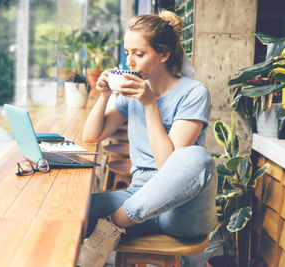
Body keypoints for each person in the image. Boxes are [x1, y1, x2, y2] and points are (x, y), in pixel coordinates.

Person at [77, 9, 218, 267]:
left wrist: (149, 103)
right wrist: (105, 95)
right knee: (72, 211)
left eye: (139, 54)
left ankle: (111, 227)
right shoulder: (129, 92)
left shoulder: (194, 93)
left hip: (182, 211)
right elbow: (91, 135)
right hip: (137, 195)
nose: (130, 62)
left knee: (197, 157)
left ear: (163, 55)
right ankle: (112, 227)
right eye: (127, 53)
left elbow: (168, 166)